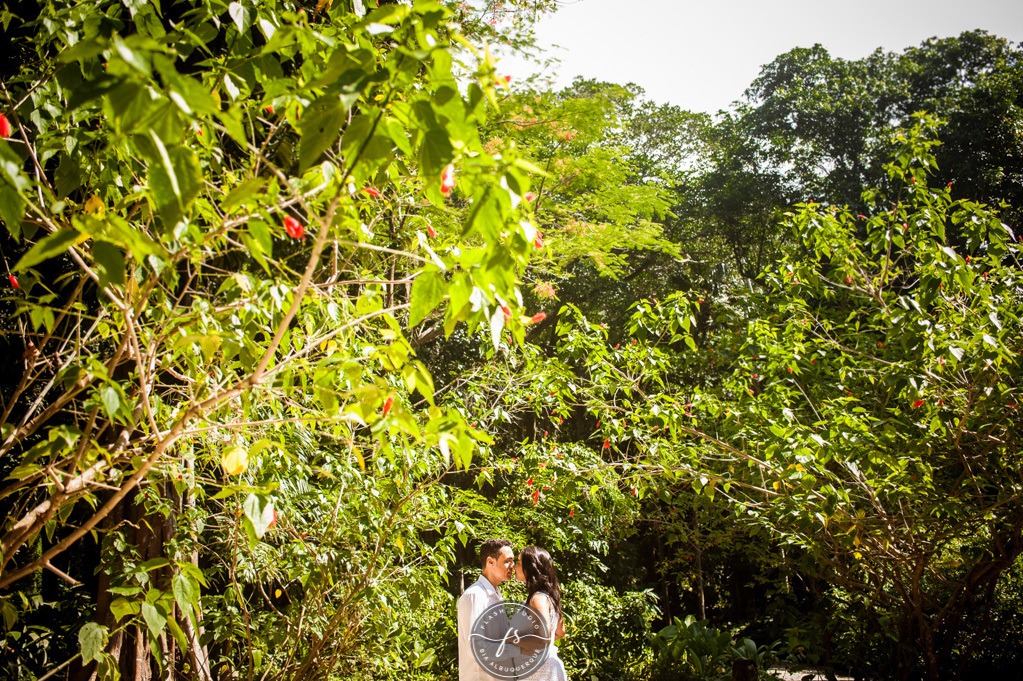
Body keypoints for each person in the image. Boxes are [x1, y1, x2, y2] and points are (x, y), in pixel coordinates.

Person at [458, 538, 518, 681]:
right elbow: (475, 648)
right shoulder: (475, 595)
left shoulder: (495, 594)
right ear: (490, 561)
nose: (513, 566)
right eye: (507, 561)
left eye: (513, 561)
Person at [512, 546, 567, 681]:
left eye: (518, 562)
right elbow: (560, 632)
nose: (514, 566)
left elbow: (544, 638)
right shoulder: (548, 597)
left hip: (541, 672)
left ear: (531, 567)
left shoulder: (538, 598)